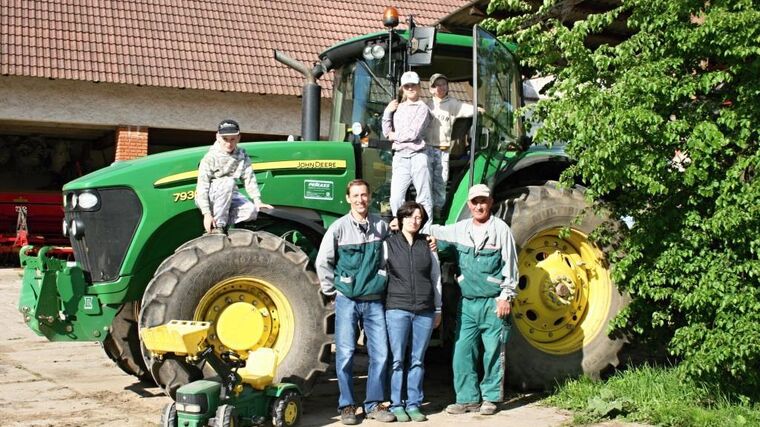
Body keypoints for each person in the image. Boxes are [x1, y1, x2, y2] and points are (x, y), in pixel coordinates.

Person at [428, 184, 518, 416]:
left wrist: (506, 296)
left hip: (492, 302)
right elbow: (435, 230)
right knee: (462, 351)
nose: (479, 206)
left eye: (483, 201)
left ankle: (490, 398)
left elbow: (511, 266)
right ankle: (467, 399)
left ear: (491, 203)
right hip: (467, 302)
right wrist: (404, 223)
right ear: (469, 205)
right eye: (475, 202)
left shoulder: (500, 230)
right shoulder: (461, 229)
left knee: (492, 352)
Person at [315, 179, 396, 425]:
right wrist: (333, 290)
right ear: (348, 199)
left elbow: (394, 252)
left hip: (373, 300)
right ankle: (347, 405)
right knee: (346, 354)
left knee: (381, 353)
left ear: (369, 198)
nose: (360, 199)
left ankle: (373, 404)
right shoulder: (339, 228)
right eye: (356, 195)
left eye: (364, 195)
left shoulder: (381, 226)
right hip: (347, 300)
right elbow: (323, 262)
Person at [384, 201, 442, 422]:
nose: (414, 221)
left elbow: (435, 278)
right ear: (401, 219)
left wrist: (438, 308)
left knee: (418, 360)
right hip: (397, 309)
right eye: (409, 216)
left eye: (418, 217)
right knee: (398, 359)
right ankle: (396, 404)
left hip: (424, 310)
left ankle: (414, 403)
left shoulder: (427, 245)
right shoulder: (388, 244)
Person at [195, 119, 273, 233]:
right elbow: (202, 186)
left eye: (232, 139)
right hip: (210, 196)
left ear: (238, 138)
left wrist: (257, 201)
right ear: (217, 137)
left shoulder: (242, 154)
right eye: (225, 139)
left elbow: (249, 177)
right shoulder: (209, 158)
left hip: (230, 193)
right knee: (228, 182)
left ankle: (228, 226)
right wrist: (206, 213)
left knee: (251, 211)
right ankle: (217, 227)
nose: (229, 143)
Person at [382, 71, 433, 227]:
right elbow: (385, 131)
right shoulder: (397, 107)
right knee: (396, 198)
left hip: (418, 156)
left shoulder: (423, 108)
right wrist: (387, 111)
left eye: (413, 85)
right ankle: (403, 228)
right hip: (400, 157)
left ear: (419, 86)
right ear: (402, 88)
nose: (410, 88)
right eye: (407, 86)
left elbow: (413, 133)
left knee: (423, 197)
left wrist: (393, 136)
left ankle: (426, 232)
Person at [425, 73, 475, 218]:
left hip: (442, 150)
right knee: (425, 182)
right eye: (437, 85)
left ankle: (438, 213)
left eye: (443, 84)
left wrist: (479, 109)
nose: (441, 87)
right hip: (426, 149)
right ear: (431, 89)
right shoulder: (426, 105)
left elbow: (469, 109)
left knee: (440, 182)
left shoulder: (453, 104)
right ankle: (425, 212)